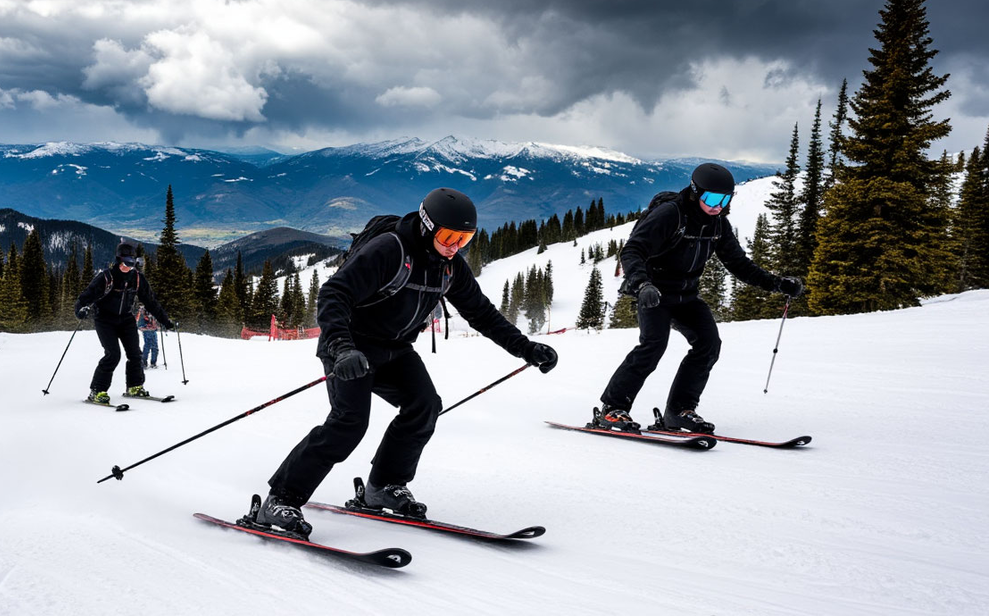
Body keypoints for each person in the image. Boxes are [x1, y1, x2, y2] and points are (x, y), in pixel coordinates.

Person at [256, 187, 560, 538]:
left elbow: (482, 314)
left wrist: (526, 348)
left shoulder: (450, 267)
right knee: (348, 424)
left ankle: (383, 486)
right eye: (448, 237)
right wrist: (341, 348)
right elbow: (334, 293)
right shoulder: (390, 250)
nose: (454, 246)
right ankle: (280, 500)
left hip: (395, 349)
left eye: (464, 239)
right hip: (352, 347)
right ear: (428, 227)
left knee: (424, 405)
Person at [597, 162, 805, 434]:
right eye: (711, 198)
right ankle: (612, 409)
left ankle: (679, 412)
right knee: (652, 347)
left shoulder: (718, 224)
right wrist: (641, 284)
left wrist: (778, 284)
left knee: (708, 344)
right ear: (696, 193)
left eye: (725, 199)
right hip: (654, 293)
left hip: (686, 296)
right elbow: (633, 250)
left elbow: (739, 264)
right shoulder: (670, 214)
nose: (718, 205)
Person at [76, 241, 174, 404]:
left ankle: (134, 386)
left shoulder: (137, 278)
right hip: (105, 320)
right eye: (126, 263)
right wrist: (81, 310)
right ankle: (97, 391)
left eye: (132, 263)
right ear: (119, 260)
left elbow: (151, 302)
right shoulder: (106, 277)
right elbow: (86, 297)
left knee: (135, 354)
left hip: (126, 319)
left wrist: (165, 320)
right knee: (113, 355)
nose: (128, 267)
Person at [136, 304, 160, 369]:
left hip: (152, 332)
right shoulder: (142, 314)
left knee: (154, 347)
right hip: (147, 332)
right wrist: (148, 328)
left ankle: (153, 362)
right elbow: (140, 326)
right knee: (148, 346)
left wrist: (156, 327)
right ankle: (144, 362)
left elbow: (155, 322)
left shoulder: (151, 312)